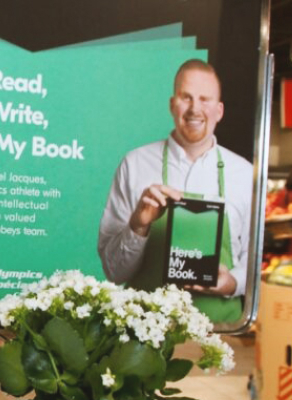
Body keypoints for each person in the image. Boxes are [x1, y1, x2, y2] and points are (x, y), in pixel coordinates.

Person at [98, 59, 253, 323]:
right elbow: (115, 272)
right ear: (172, 104)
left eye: (205, 99)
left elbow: (253, 265)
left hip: (221, 334)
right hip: (145, 336)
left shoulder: (246, 174)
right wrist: (138, 225)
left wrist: (229, 282)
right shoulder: (135, 164)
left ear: (219, 110)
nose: (195, 109)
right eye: (186, 97)